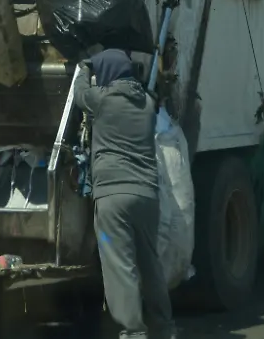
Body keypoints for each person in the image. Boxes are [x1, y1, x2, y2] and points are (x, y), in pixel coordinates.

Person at [73, 49, 175, 339]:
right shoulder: (147, 104)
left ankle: (133, 333)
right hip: (146, 197)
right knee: (149, 264)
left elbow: (80, 93)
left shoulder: (102, 100)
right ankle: (165, 328)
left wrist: (84, 66)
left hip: (113, 199)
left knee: (121, 268)